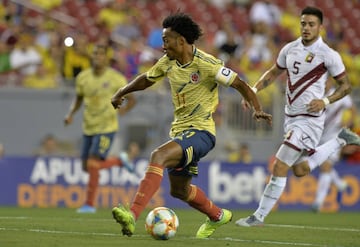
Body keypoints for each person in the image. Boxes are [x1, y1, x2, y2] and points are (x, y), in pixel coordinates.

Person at [110, 12, 272, 239]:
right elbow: (147, 78)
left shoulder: (207, 64)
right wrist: (121, 91)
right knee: (179, 190)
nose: (163, 45)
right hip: (181, 131)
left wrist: (256, 108)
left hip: (202, 133)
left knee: (158, 155)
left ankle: (132, 214)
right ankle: (217, 215)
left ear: (182, 41)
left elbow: (240, 84)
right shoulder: (167, 62)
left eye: (167, 40)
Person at [235, 6, 360, 227]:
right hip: (290, 118)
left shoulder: (328, 55)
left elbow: (346, 86)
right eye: (303, 23)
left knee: (279, 165)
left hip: (310, 120)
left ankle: (258, 217)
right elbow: (273, 73)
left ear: (320, 27)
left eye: (311, 24)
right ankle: (340, 139)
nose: (306, 28)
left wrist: (326, 101)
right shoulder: (289, 49)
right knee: (300, 170)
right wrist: (253, 90)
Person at [64, 43, 136, 213]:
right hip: (89, 127)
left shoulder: (116, 78)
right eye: (95, 53)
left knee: (93, 163)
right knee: (85, 166)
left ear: (106, 58)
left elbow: (132, 98)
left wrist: (124, 110)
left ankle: (89, 204)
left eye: (101, 54)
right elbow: (79, 99)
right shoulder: (83, 77)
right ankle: (119, 160)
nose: (98, 57)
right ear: (92, 56)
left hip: (107, 126)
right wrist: (70, 114)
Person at [311, 80, 356, 212]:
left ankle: (318, 203)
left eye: (326, 82)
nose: (325, 85)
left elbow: (353, 110)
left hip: (334, 137)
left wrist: (348, 124)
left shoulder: (339, 96)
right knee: (321, 165)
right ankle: (339, 183)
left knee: (325, 167)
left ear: (330, 82)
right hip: (319, 136)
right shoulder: (316, 95)